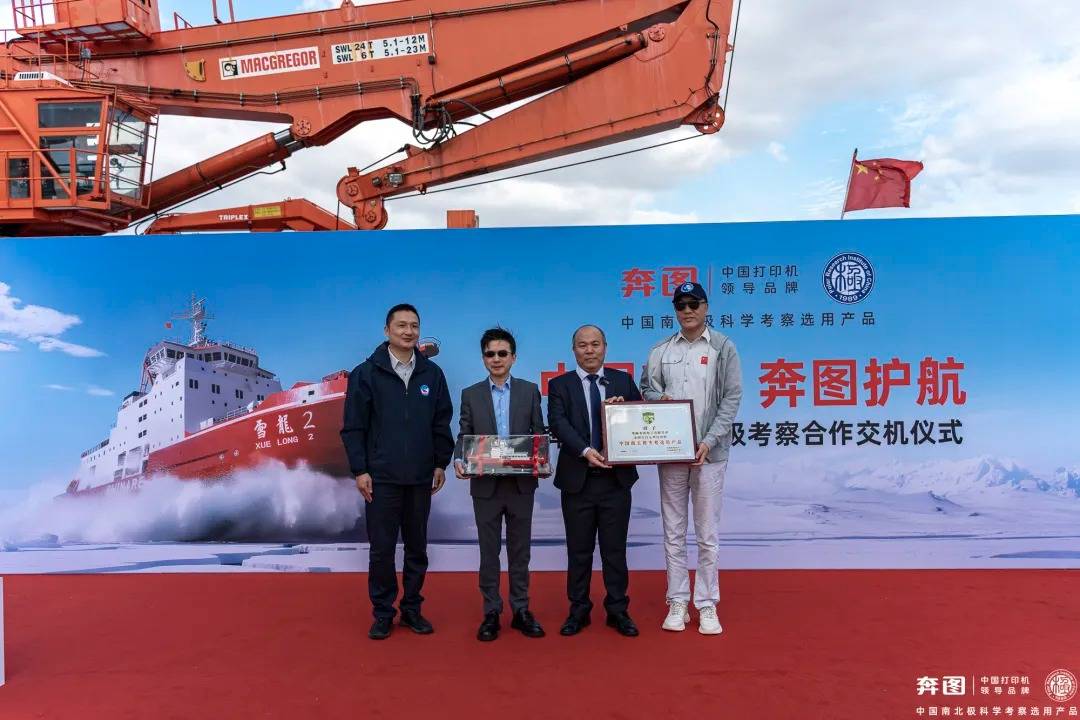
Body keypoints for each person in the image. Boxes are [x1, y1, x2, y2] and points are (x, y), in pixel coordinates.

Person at [340, 303, 454, 640]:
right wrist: (360, 470)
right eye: (401, 325)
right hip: (381, 479)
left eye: (414, 326)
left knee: (417, 549)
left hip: (420, 477)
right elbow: (354, 427)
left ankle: (412, 609)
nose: (408, 331)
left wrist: (440, 462)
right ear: (387, 330)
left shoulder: (432, 374)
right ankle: (383, 613)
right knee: (382, 550)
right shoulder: (366, 373)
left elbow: (441, 422)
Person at [640, 281, 742, 635]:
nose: (687, 310)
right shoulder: (660, 350)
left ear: (706, 307)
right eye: (680, 305)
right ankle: (678, 600)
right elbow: (647, 388)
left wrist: (709, 442)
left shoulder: (723, 348)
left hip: (709, 454)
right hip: (671, 452)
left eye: (693, 304)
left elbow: (732, 398)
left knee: (707, 533)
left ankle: (707, 603)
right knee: (673, 531)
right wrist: (660, 400)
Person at [547, 325, 642, 637]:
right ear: (573, 350)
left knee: (615, 551)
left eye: (595, 344)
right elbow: (558, 423)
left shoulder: (623, 381)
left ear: (605, 347)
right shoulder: (559, 385)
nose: (589, 350)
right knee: (579, 551)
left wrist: (625, 411)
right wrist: (586, 451)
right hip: (578, 481)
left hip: (615, 482)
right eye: (582, 345)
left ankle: (618, 610)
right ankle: (578, 610)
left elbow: (642, 418)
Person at [454, 328, 546, 641]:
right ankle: (491, 612)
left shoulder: (529, 391)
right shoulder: (470, 394)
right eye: (490, 354)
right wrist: (459, 459)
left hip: (521, 485)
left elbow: (538, 434)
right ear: (483, 359)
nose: (496, 359)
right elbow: (464, 434)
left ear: (513, 357)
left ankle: (521, 610)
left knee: (521, 552)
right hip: (485, 486)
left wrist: (541, 460)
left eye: (502, 353)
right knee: (489, 553)